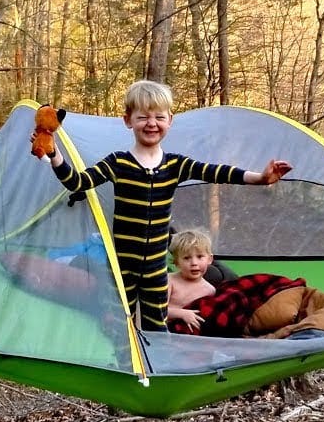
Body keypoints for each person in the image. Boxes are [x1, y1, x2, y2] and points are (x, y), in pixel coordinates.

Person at [40, 80, 292, 331]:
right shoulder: (118, 163)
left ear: (169, 120)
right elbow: (77, 182)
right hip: (122, 267)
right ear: (128, 120)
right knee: (118, 327)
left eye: (159, 117)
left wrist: (260, 178)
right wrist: (54, 154)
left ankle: (156, 356)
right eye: (143, 117)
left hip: (156, 270)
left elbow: (217, 172)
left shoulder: (175, 165)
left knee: (157, 327)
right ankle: (124, 355)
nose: (151, 123)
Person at [167, 229, 217, 333]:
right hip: (167, 332)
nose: (194, 263)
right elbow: (157, 311)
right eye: (186, 258)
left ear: (210, 259)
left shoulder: (210, 290)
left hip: (192, 337)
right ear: (176, 262)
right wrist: (183, 314)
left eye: (200, 257)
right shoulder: (170, 281)